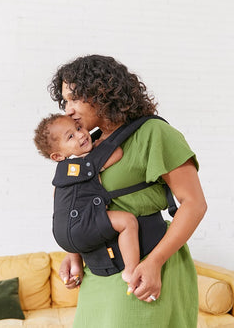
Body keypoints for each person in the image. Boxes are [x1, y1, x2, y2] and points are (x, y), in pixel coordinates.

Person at [48, 55, 207, 327]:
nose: (69, 110)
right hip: (98, 272)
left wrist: (155, 262)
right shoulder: (91, 145)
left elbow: (194, 204)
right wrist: (75, 251)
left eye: (75, 98)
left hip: (145, 265)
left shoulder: (154, 133)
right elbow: (87, 205)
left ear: (102, 92)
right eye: (65, 102)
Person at [34, 113, 140, 286]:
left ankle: (76, 266)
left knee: (74, 231)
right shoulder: (86, 162)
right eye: (70, 136)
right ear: (58, 156)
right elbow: (118, 152)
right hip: (81, 227)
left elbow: (57, 198)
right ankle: (131, 270)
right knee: (128, 222)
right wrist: (101, 148)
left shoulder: (62, 173)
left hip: (61, 234)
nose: (81, 134)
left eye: (78, 128)